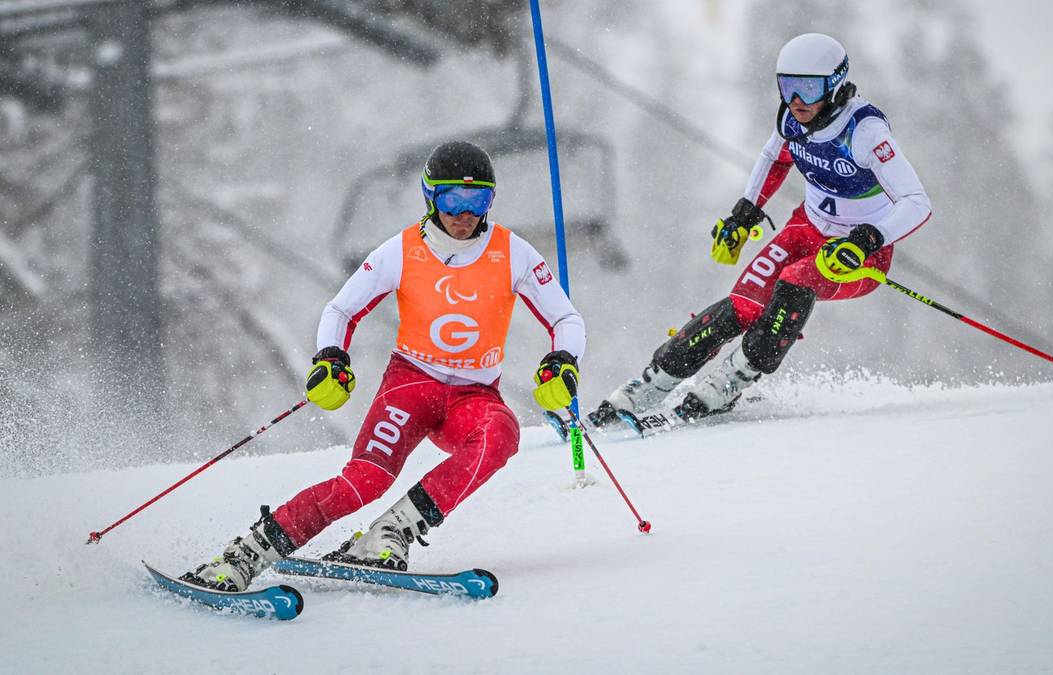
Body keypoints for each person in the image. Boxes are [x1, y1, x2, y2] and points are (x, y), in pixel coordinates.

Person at [184, 141, 586, 591]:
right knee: (365, 482)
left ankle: (390, 533)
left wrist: (562, 361)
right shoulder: (402, 250)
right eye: (452, 199)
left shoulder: (513, 252)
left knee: (501, 433)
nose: (464, 214)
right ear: (430, 197)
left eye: (477, 200)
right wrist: (331, 358)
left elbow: (565, 319)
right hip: (411, 386)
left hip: (473, 396)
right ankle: (245, 555)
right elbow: (341, 310)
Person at [589, 32, 930, 426]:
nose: (796, 100)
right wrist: (745, 212)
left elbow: (917, 202)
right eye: (787, 87)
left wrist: (866, 239)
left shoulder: (865, 132)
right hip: (805, 228)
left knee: (795, 282)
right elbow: (775, 157)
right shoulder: (791, 120)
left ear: (835, 86)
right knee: (741, 304)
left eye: (808, 88)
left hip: (859, 254)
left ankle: (731, 381)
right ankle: (650, 385)